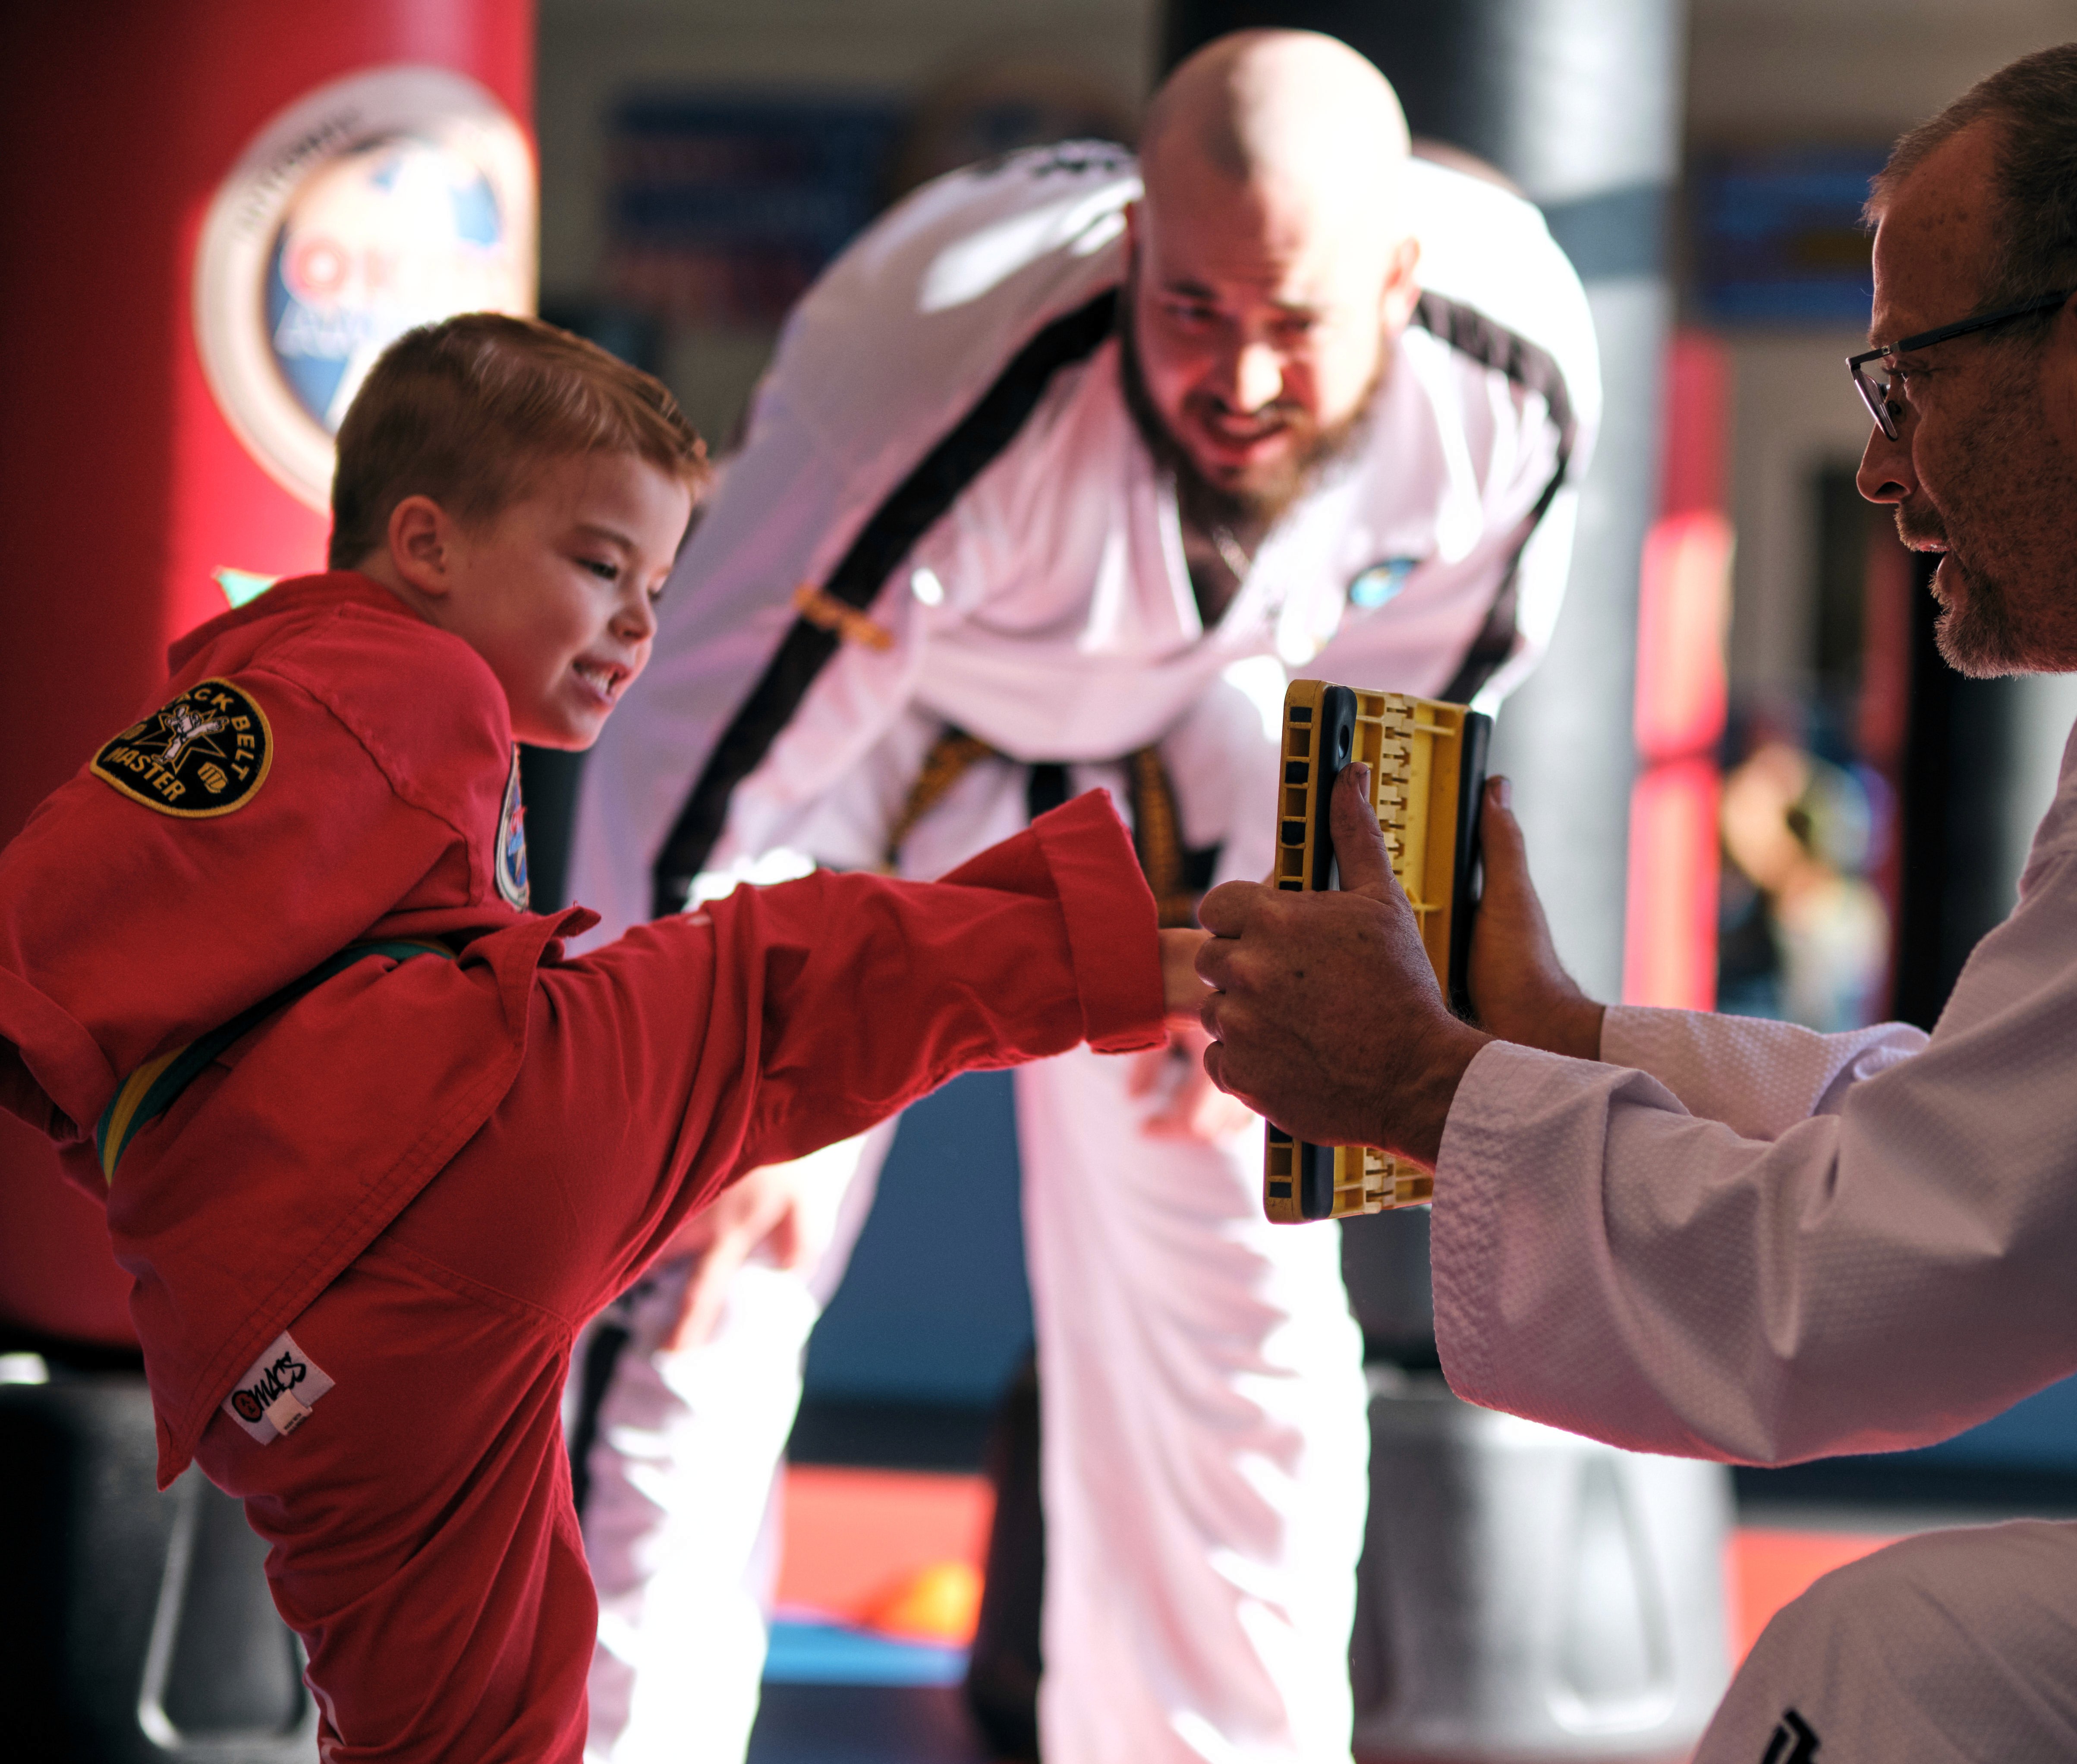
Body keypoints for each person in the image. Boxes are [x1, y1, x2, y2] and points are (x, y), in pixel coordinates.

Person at [562, 28, 1598, 1764]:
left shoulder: (1512, 385)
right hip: (864, 740)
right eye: (1190, 311)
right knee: (699, 1280)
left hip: (1196, 727)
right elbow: (701, 747)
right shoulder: (914, 382)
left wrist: (1326, 1021)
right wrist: (697, 1088)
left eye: (1292, 326)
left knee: (1255, 1290)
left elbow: (1405, 721)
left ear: (1400, 282)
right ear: (1131, 247)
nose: (1242, 378)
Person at [0, 313, 1206, 1763]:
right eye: (597, 564)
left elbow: (98, 991)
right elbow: (60, 906)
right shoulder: (362, 671)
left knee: (469, 1719)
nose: (641, 623)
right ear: (428, 545)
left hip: (281, 1366)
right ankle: (1179, 953)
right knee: (785, 975)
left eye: (658, 582)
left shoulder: (358, 701)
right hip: (435, 1170)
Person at [1197, 34, 2077, 1764]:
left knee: (1890, 1664)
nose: (1883, 474)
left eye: (1908, 386)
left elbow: (1886, 1276)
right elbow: (1978, 1148)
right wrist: (1564, 1043)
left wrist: (1418, 1088)